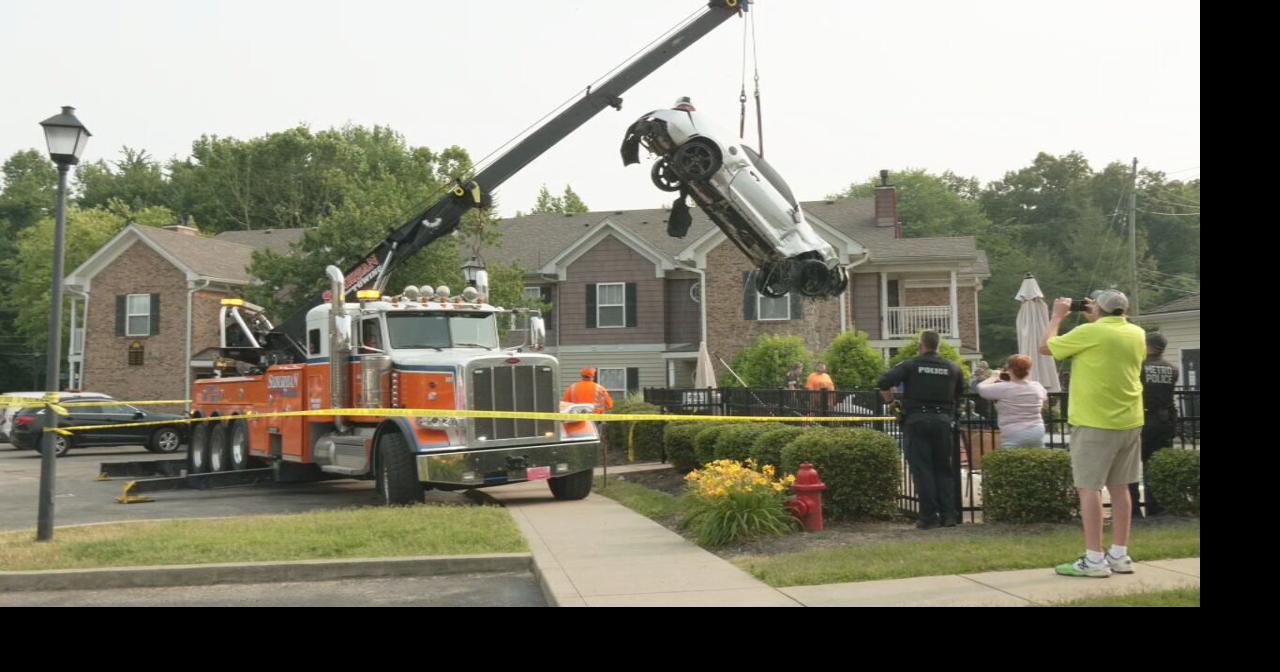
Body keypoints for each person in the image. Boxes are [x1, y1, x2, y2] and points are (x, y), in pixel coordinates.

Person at [1042, 289, 1146, 578]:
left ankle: (1094, 559)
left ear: (1098, 308)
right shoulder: (1137, 333)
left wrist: (1056, 317)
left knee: (1089, 488)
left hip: (1095, 422)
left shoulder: (1091, 332)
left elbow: (1046, 347)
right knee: (1121, 487)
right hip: (1130, 420)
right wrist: (1096, 315)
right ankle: (1120, 555)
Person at [878, 331, 965, 529]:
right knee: (943, 469)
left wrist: (892, 402)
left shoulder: (911, 365)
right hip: (943, 421)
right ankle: (949, 515)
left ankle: (928, 517)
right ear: (938, 346)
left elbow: (883, 382)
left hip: (916, 420)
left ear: (921, 345)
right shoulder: (953, 367)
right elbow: (960, 392)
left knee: (923, 469)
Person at [1129, 332, 1179, 518]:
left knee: (1132, 467)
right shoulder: (1173, 369)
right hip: (1164, 421)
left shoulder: (1139, 367)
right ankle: (1156, 508)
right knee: (1156, 466)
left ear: (1147, 345)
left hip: (1140, 420)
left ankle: (1133, 509)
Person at [975, 354, 1048, 447]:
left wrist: (993, 377)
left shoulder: (1003, 388)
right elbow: (1044, 397)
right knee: (1037, 458)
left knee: (1010, 459)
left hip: (1013, 431)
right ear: (1029, 370)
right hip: (1037, 429)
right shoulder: (1037, 386)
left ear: (1010, 369)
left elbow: (980, 388)